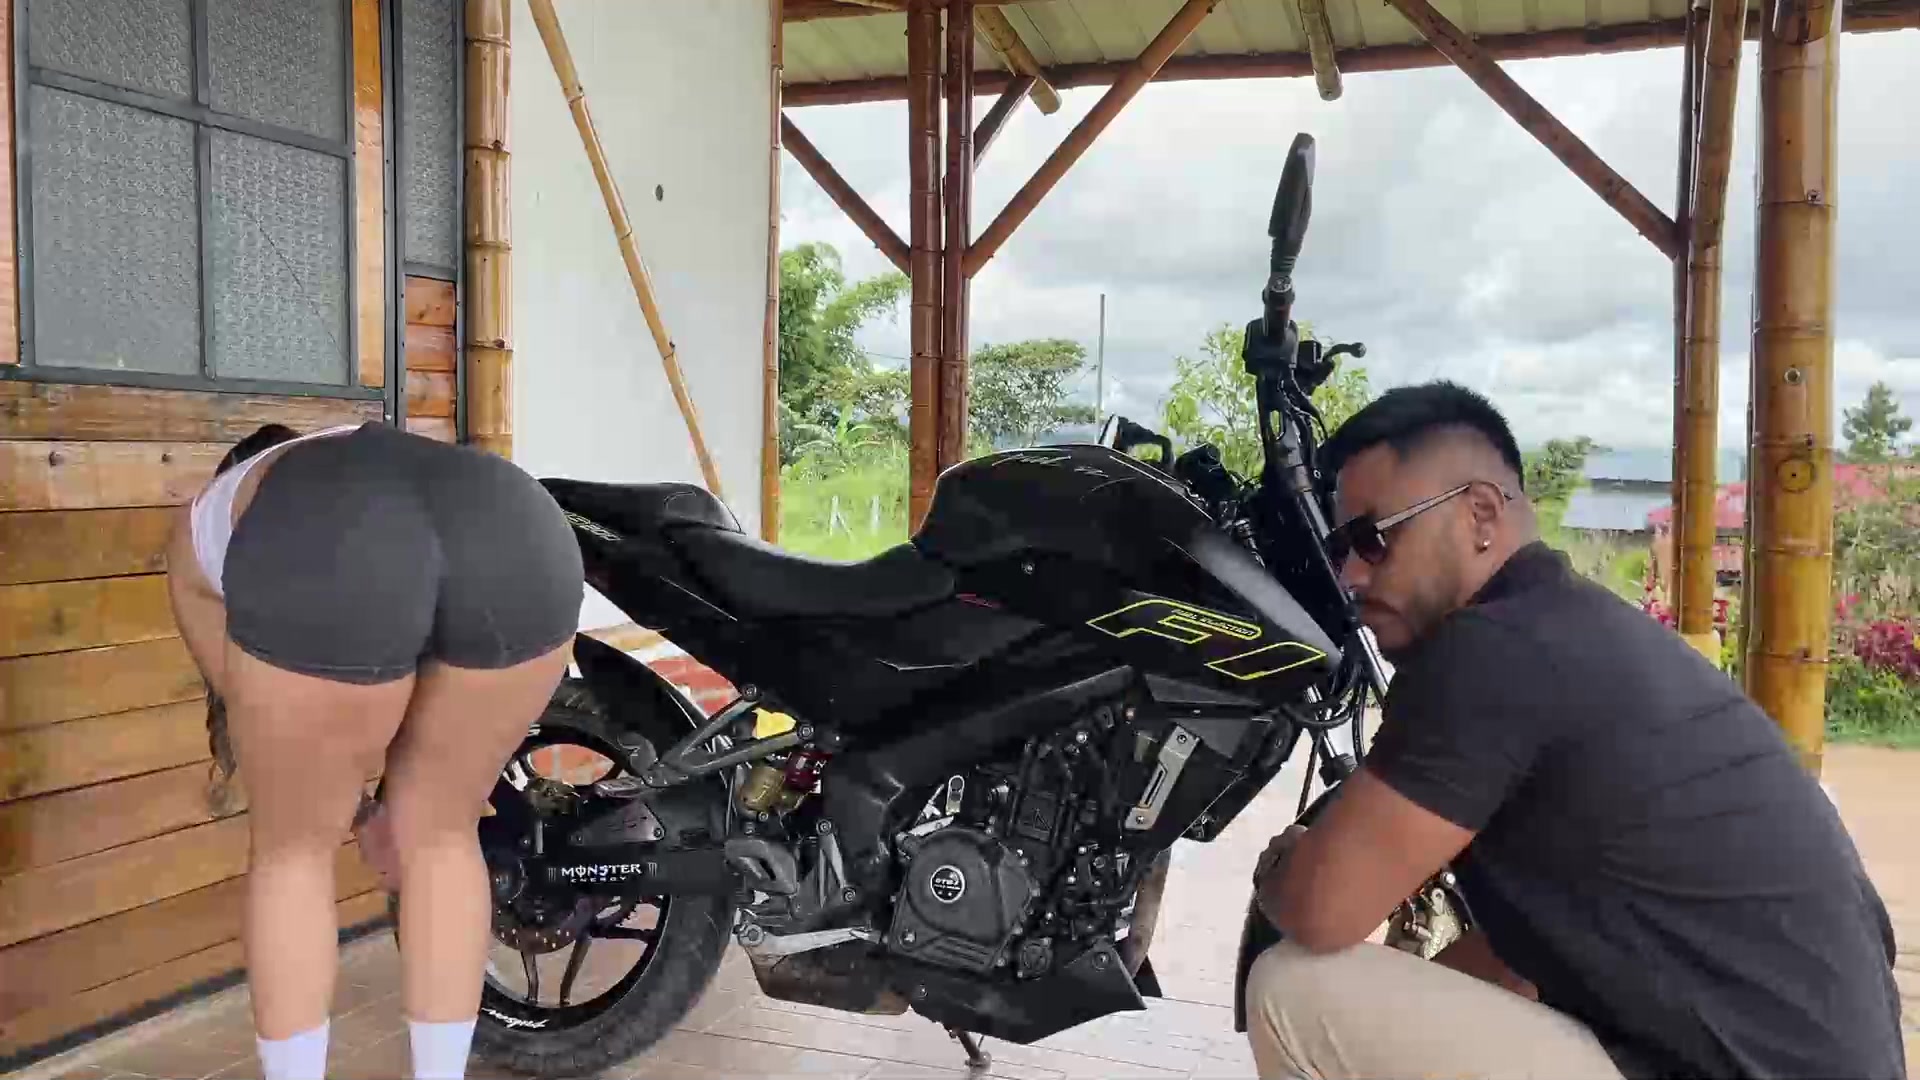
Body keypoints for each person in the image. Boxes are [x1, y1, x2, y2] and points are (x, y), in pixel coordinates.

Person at [1242, 382, 1904, 1079]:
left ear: (1480, 512)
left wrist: (1283, 868)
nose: (1349, 574)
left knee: (1297, 988)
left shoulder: (1491, 649)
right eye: (1341, 547)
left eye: (1372, 539)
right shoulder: (1573, 634)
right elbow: (1518, 962)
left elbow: (1323, 910)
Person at [167, 420, 585, 1080]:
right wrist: (388, 806)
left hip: (337, 542)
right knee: (443, 836)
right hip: (520, 525)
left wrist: (358, 812)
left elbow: (256, 713)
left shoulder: (206, 524)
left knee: (293, 850)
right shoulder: (362, 458)